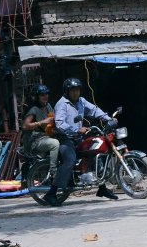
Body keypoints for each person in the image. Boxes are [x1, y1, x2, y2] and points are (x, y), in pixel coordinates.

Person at [43, 78, 117, 207]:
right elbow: (60, 123)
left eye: (77, 90)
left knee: (95, 152)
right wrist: (76, 130)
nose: (75, 93)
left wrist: (108, 119)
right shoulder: (62, 104)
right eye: (72, 90)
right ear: (67, 91)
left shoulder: (81, 101)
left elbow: (94, 110)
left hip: (77, 137)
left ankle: (102, 188)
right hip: (64, 138)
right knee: (70, 160)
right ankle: (51, 193)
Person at [22, 84, 59, 179]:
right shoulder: (33, 109)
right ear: (37, 97)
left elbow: (52, 119)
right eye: (42, 95)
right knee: (55, 144)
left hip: (45, 137)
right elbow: (25, 126)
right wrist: (42, 122)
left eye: (46, 94)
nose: (45, 96)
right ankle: (53, 172)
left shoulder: (48, 106)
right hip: (34, 141)